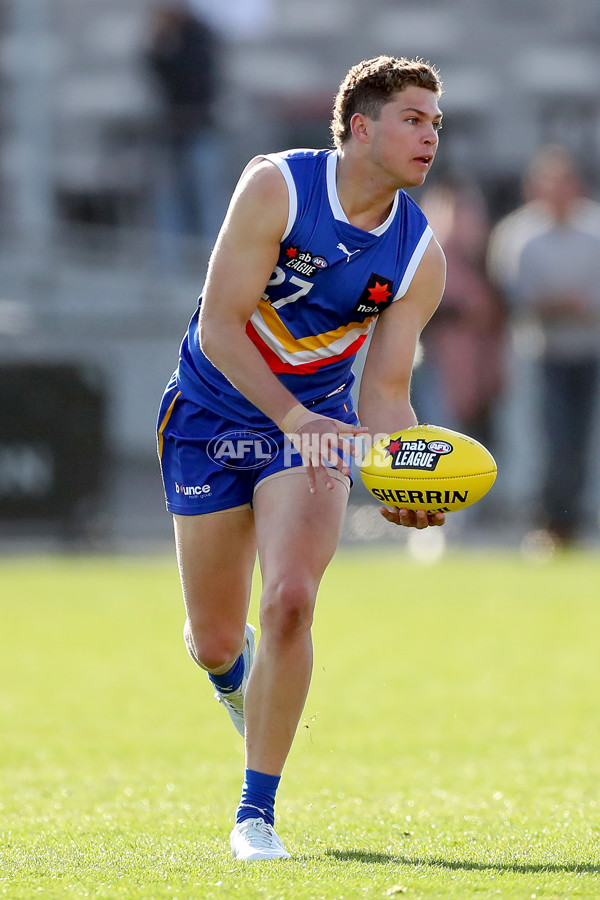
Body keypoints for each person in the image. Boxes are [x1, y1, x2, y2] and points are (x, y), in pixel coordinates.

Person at [157, 55, 446, 861]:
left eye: (436, 124)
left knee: (289, 597)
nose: (430, 138)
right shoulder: (277, 187)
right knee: (215, 639)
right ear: (362, 128)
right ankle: (234, 676)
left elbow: (386, 391)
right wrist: (291, 413)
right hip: (208, 418)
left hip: (313, 431)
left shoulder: (421, 256)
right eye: (414, 120)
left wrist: (400, 468)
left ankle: (255, 814)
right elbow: (220, 326)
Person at [487, 146, 600, 546]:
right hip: (541, 350)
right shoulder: (520, 234)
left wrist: (573, 305)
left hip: (588, 350)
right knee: (546, 437)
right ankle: (548, 519)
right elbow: (514, 293)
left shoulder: (593, 230)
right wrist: (558, 303)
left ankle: (574, 520)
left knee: (580, 441)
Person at [412, 176, 506, 452]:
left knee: (484, 420)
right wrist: (460, 312)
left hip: (484, 351)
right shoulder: (430, 251)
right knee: (441, 423)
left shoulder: (486, 252)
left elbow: (502, 297)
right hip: (439, 352)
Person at [145, 1, 227, 258]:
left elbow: (196, 79)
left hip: (199, 129)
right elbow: (156, 73)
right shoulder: (166, 37)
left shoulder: (198, 34)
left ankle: (214, 263)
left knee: (205, 201)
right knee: (170, 204)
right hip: (172, 134)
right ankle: (170, 267)